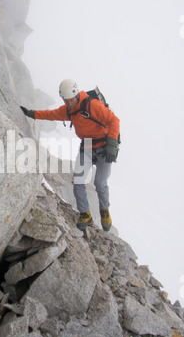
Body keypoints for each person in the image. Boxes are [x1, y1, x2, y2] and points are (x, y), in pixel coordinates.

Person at [21, 79, 120, 232]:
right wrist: (32, 114)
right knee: (78, 179)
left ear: (76, 96)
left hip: (105, 145)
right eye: (65, 101)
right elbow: (52, 114)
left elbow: (113, 120)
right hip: (87, 145)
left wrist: (112, 144)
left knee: (100, 183)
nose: (68, 103)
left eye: (70, 100)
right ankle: (85, 215)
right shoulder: (69, 110)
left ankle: (105, 211)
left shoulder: (92, 105)